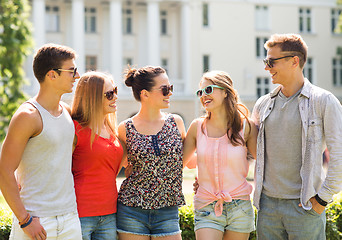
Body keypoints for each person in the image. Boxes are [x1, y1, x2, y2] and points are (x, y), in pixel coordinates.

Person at [252, 33, 342, 239]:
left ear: (294, 61)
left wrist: (322, 200)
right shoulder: (263, 104)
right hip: (267, 209)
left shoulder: (324, 101)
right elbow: (246, 150)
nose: (267, 67)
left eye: (271, 61)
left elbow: (339, 155)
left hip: (305, 208)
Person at [0, 44, 82, 239]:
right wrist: (25, 220)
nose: (76, 76)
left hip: (70, 218)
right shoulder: (27, 116)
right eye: (72, 71)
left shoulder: (67, 112)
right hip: (36, 221)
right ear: (52, 75)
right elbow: (4, 170)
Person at [183, 71, 258, 240]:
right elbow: (182, 163)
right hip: (207, 204)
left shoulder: (246, 126)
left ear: (225, 92)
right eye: (200, 92)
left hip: (240, 206)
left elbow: (264, 163)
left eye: (208, 89)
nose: (203, 95)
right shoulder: (197, 127)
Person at [116, 66, 186, 240]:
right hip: (131, 210)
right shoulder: (125, 128)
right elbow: (118, 165)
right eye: (164, 89)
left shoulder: (176, 122)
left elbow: (189, 160)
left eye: (170, 88)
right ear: (144, 94)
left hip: (167, 210)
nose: (169, 93)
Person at [71, 71, 124, 239]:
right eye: (109, 94)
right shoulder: (75, 129)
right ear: (92, 98)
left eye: (115, 91)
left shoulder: (112, 130)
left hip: (110, 213)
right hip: (81, 214)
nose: (115, 97)